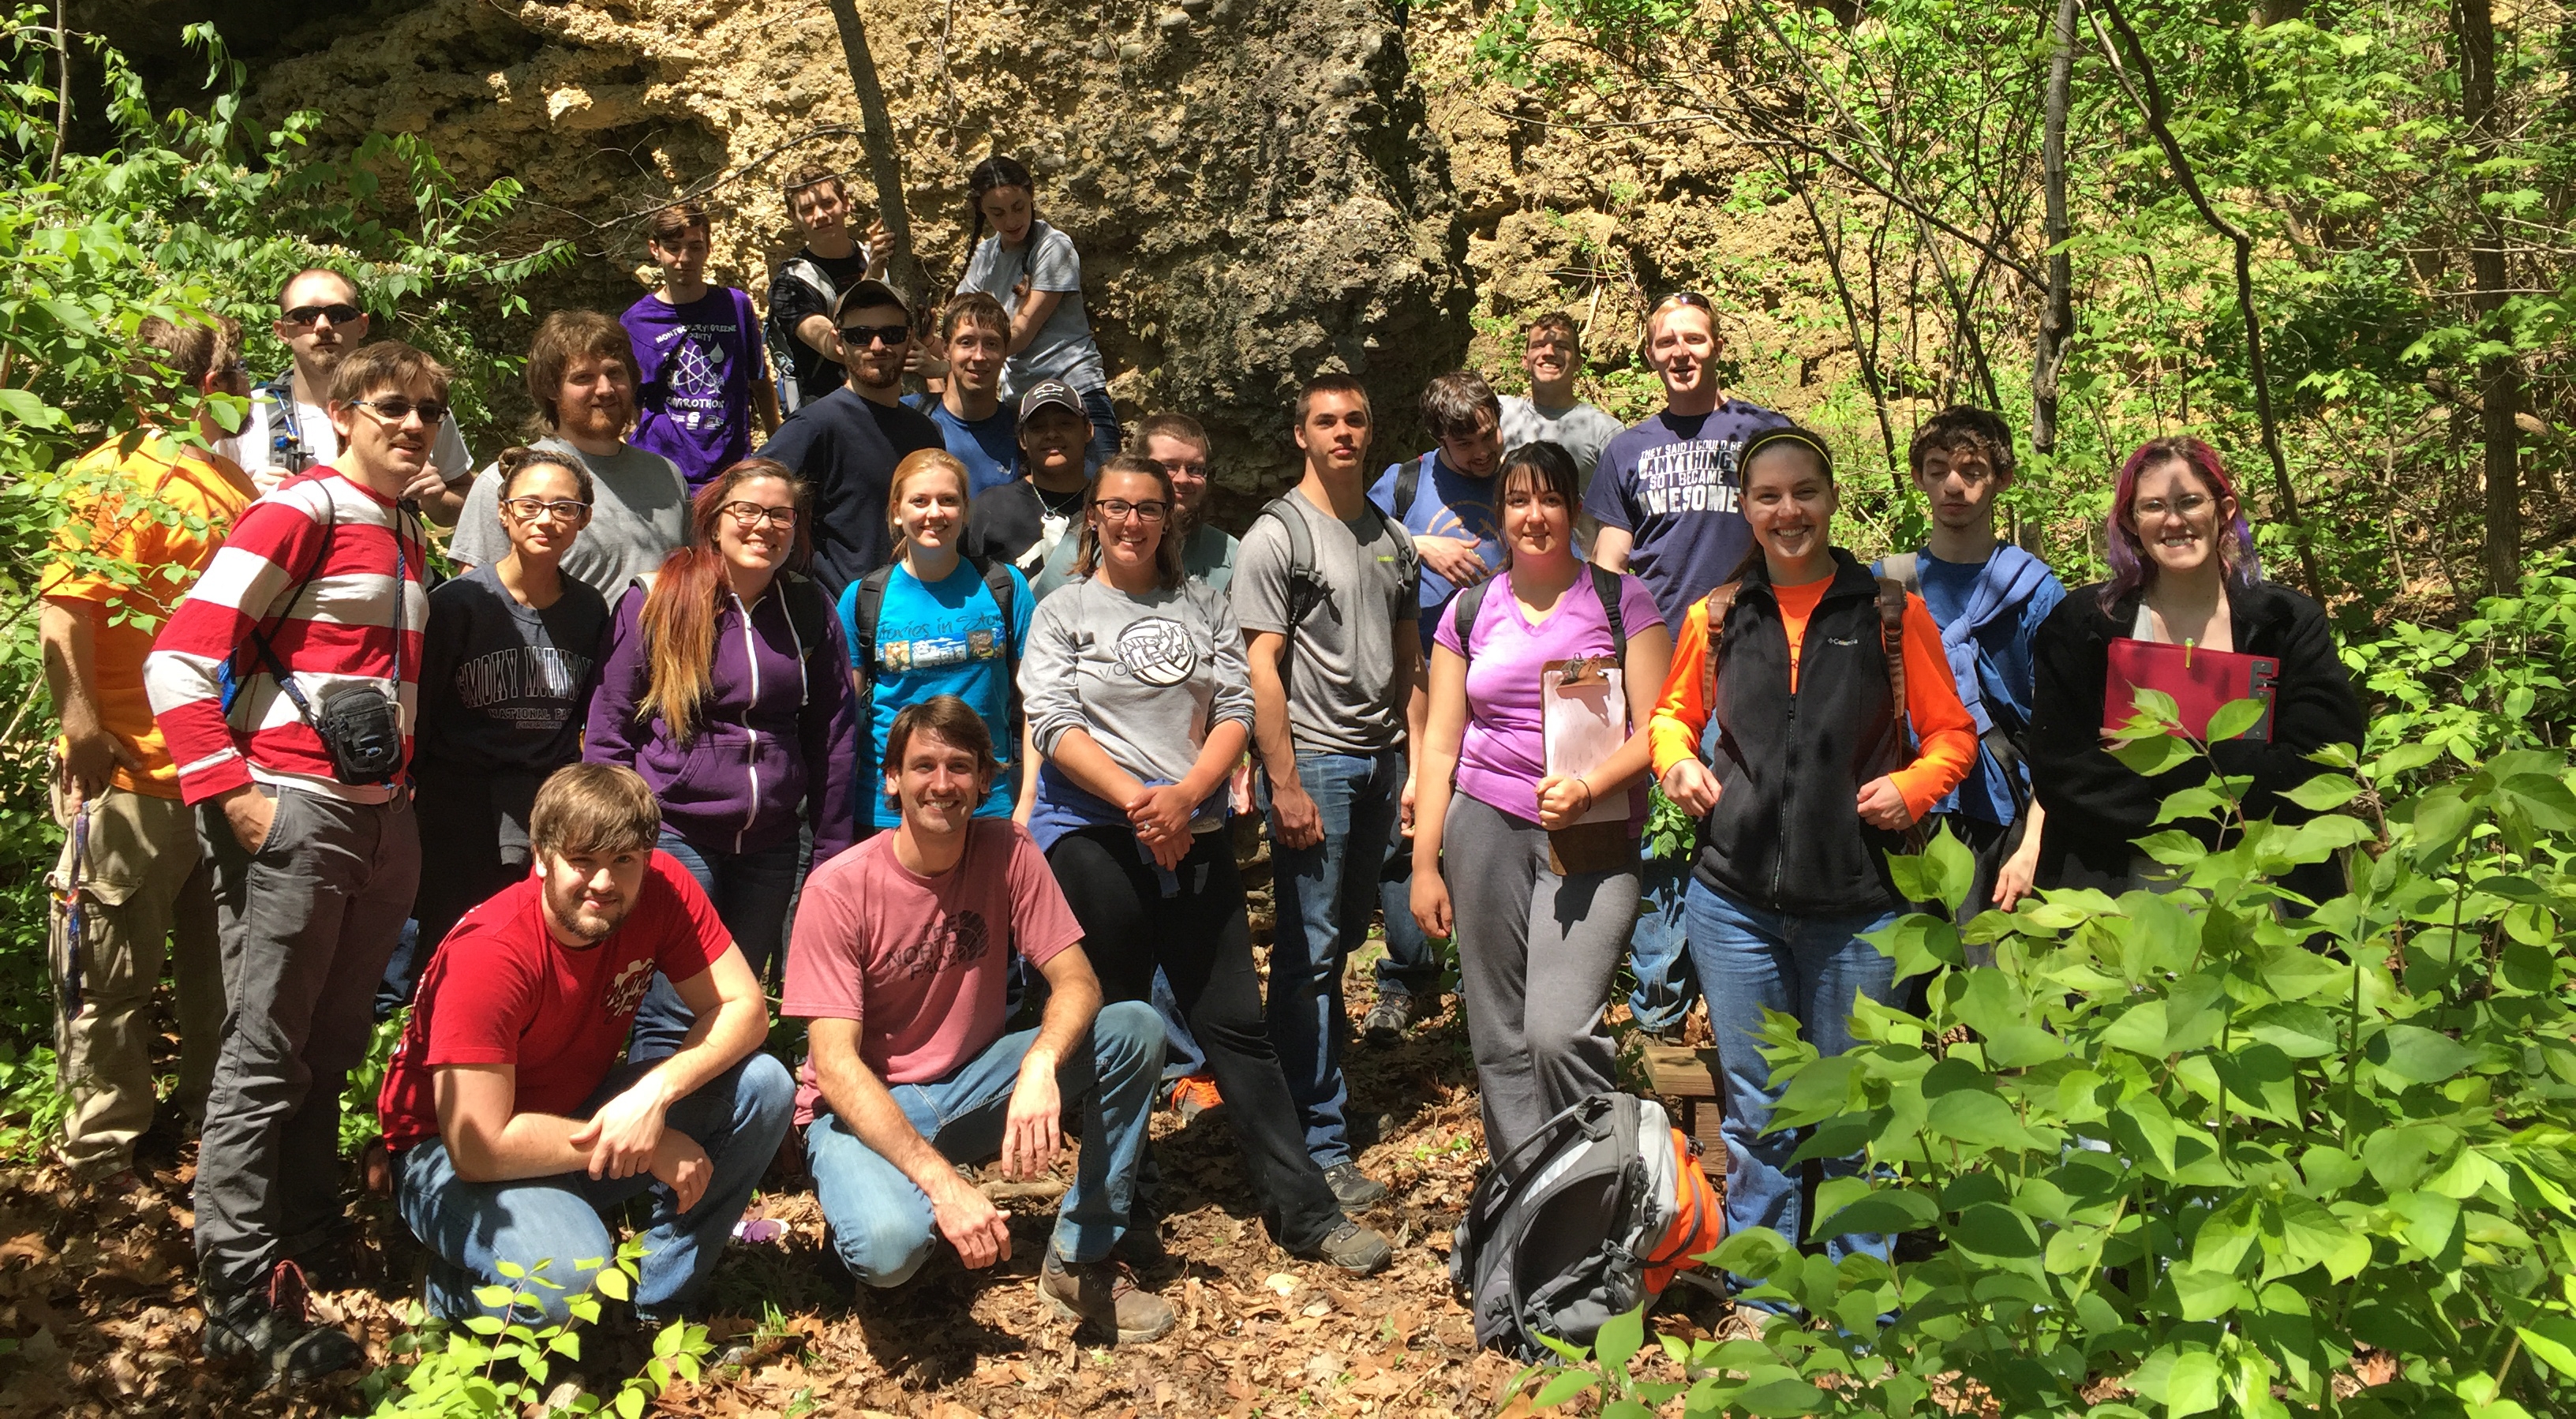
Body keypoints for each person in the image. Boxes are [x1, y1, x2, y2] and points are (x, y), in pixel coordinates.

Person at [145, 340, 440, 1380]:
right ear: (349, 413)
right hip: (294, 809)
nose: (412, 425)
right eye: (392, 407)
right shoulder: (298, 510)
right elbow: (177, 655)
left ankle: (307, 1227)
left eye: (427, 411)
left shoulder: (404, 527)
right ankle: (237, 1290)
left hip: (376, 817)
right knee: (264, 1052)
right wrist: (233, 794)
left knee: (330, 1036)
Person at [1023, 455, 1395, 1273]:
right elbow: (1052, 721)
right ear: (1094, 517)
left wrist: (1186, 796)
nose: (1131, 521)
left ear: (1169, 520)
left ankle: (1305, 1210)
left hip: (1191, 831)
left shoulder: (1203, 603)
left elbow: (1236, 705)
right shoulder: (1062, 611)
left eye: (1147, 508)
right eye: (1115, 506)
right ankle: (1123, 1215)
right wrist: (1138, 803)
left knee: (1235, 1024)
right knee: (1119, 1029)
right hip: (1095, 836)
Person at [1646, 426, 1975, 1278]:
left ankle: (1861, 1296)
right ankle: (1767, 1290)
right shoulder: (1716, 617)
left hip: (1860, 908)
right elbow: (1671, 716)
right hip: (1735, 906)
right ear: (1747, 509)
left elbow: (1950, 735)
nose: (1787, 510)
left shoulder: (1887, 614)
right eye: (1767, 496)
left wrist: (1915, 788)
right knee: (1759, 1114)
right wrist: (1677, 762)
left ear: (1831, 499)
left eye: (1804, 492)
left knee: (1859, 1107)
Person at [783, 697, 1175, 1342]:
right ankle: (875, 1204)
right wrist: (945, 1185)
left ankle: (1080, 1256)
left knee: (1134, 1028)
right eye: (924, 766)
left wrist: (1042, 1064)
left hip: (969, 1088)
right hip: (861, 1110)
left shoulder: (1007, 851)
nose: (943, 784)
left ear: (986, 781)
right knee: (890, 1254)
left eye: (960, 767)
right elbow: (836, 1064)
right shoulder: (838, 889)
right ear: (891, 779)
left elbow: (1077, 980)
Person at [377, 764, 792, 1324]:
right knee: (570, 1280)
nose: (604, 882)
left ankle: (657, 1301)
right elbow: (479, 1148)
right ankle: (445, 1289)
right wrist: (653, 1144)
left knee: (763, 1086)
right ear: (542, 857)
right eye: (583, 861)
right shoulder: (491, 954)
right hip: (446, 1156)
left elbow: (743, 1010)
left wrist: (655, 1096)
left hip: (573, 1111)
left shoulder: (662, 888)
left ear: (647, 858)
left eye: (623, 860)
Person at [1408, 441, 1671, 1159]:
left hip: (1590, 832)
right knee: (1497, 1035)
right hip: (1484, 827)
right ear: (1500, 517)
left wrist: (1590, 785)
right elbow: (1439, 743)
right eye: (1519, 501)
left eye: (1550, 499)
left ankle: (1596, 1184)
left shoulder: (1620, 601)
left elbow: (1662, 726)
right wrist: (1424, 862)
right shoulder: (1469, 611)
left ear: (1575, 511)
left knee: (1557, 1030)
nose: (1535, 515)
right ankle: (1526, 1198)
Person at [39, 314, 253, 1188]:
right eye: (236, 372)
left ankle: (213, 1134)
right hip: (131, 770)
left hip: (223, 772)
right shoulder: (111, 475)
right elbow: (65, 610)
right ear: (206, 383)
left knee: (224, 980)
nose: (246, 387)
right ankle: (98, 1160)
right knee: (109, 975)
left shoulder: (229, 482)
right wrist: (84, 730)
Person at [586, 460, 859, 1059]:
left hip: (771, 847)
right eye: (748, 511)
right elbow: (608, 733)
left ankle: (721, 1139)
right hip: (677, 835)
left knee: (739, 1008)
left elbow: (834, 737)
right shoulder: (654, 600)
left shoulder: (810, 610)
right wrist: (616, 843)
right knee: (671, 1012)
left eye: (781, 514)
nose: (765, 526)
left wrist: (831, 852)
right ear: (713, 520)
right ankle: (650, 1137)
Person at [2027, 436, 2365, 902]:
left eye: (2189, 502)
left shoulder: (2286, 623)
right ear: (2130, 521)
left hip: (2266, 890)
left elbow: (2321, 760)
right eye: (2152, 507)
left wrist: (2159, 758)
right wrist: (2238, 774)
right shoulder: (2083, 626)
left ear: (2223, 509)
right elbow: (2063, 774)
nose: (2173, 520)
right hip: (2119, 899)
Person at [1234, 373, 1419, 1207]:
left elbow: (1408, 648)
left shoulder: (1387, 533)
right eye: (1325, 421)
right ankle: (1314, 1142)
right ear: (1300, 435)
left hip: (1380, 760)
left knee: (1340, 938)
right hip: (1315, 762)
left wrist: (1413, 758)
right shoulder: (1279, 534)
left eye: (1355, 419)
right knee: (1308, 955)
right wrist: (1285, 780)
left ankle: (1305, 1105)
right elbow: (1260, 665)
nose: (1342, 432)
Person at [1587, 292, 1792, 1042]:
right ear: (1650, 354)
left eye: (1694, 339)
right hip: (1653, 664)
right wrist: (1596, 651)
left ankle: (1745, 998)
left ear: (1717, 346)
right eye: (1666, 341)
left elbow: (1795, 530)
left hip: (1748, 659)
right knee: (1660, 835)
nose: (1681, 352)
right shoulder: (1627, 449)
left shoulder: (1761, 432)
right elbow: (1611, 560)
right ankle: (1661, 1012)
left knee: (1742, 814)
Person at [391, 447, 611, 1012]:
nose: (546, 519)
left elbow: (589, 713)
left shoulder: (590, 612)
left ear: (584, 519)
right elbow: (423, 712)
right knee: (444, 942)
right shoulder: (459, 604)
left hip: (545, 805)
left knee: (529, 945)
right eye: (531, 504)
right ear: (504, 513)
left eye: (563, 507)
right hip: (456, 807)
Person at [1360, 370, 1510, 1041]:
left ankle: (1493, 975)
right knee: (1409, 824)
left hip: (1502, 680)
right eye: (1465, 442)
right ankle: (1408, 975)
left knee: (1493, 829)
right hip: (1415, 678)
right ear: (1437, 438)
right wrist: (1418, 546)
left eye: (1488, 434)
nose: (1482, 453)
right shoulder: (1403, 485)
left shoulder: (1519, 478)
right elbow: (1350, 545)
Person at [1873, 407, 2065, 926]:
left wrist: (2033, 846)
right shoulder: (1886, 587)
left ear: (2003, 479)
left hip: (2002, 818)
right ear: (1918, 478)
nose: (1953, 486)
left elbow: (2061, 733)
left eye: (1972, 470)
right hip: (1905, 810)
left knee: (1997, 993)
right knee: (1905, 993)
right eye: (1937, 470)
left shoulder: (2036, 592)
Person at [842, 448, 1034, 834]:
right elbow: (845, 717)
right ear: (897, 512)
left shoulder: (1005, 587)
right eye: (920, 501)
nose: (934, 513)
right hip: (889, 808)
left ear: (965, 510)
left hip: (988, 802)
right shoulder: (863, 598)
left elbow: (1035, 701)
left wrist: (1027, 798)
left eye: (948, 500)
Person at [451, 312, 691, 598]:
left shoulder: (666, 476)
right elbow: (474, 602)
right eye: (584, 378)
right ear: (551, 389)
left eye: (615, 373)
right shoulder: (509, 482)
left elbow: (692, 578)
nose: (605, 389)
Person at [752, 279, 944, 601]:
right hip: (843, 624)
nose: (878, 346)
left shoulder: (926, 433)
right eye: (860, 336)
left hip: (916, 615)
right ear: (838, 343)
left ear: (909, 338)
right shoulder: (815, 425)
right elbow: (744, 497)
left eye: (892, 334)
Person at [233, 268, 473, 524]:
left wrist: (436, 500)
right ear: (282, 331)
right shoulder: (245, 414)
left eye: (338, 315)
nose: (323, 326)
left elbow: (468, 496)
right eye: (305, 317)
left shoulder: (418, 413)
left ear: (362, 325)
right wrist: (242, 501)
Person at [950, 155, 1119, 467]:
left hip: (1076, 391)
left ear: (1031, 196)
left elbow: (1021, 334)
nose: (1011, 221)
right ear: (982, 211)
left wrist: (966, 357)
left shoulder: (1053, 247)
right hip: (1021, 404)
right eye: (997, 213)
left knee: (1104, 499)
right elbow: (959, 323)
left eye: (1018, 207)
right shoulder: (985, 255)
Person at [624, 200, 780, 488]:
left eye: (695, 247)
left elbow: (759, 382)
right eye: (673, 247)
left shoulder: (735, 306)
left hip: (730, 470)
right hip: (664, 472)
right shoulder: (637, 322)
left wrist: (778, 450)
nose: (684, 258)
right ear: (654, 249)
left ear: (709, 248)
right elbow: (630, 403)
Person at [766, 163, 883, 414]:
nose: (820, 215)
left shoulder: (875, 257)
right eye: (808, 209)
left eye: (828, 203)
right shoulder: (790, 283)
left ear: (846, 203)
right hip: (827, 413)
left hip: (889, 402)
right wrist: (872, 276)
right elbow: (833, 347)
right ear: (793, 217)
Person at [967, 378, 1094, 578]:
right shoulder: (990, 507)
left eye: (1065, 424)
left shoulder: (1110, 506)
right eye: (1038, 427)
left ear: (1088, 431)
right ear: (1023, 440)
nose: (1052, 434)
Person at [906, 291, 1020, 496]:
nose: (979, 356)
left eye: (991, 344)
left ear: (1006, 351)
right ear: (945, 349)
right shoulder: (908, 416)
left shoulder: (1020, 431)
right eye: (966, 342)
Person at [1498, 313, 1624, 489]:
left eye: (1561, 346)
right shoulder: (1499, 413)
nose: (1549, 352)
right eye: (1539, 345)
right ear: (1525, 361)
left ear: (1578, 363)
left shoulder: (1604, 431)